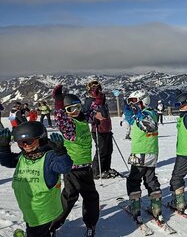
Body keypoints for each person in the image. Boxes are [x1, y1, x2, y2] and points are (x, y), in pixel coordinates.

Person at [0, 122, 73, 237]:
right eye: (21, 143)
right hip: (29, 209)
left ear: (41, 138)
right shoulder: (24, 156)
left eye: (29, 141)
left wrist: (60, 151)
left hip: (42, 211)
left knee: (36, 233)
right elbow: (7, 161)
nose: (26, 146)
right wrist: (4, 147)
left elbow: (64, 167)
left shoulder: (48, 157)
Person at [51, 85, 100, 236]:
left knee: (88, 196)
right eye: (70, 110)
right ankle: (53, 225)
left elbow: (92, 111)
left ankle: (90, 224)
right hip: (72, 168)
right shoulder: (70, 126)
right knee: (70, 197)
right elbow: (61, 121)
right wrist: (59, 103)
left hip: (86, 167)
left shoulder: (82, 119)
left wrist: (95, 98)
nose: (75, 111)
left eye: (77, 107)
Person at [123, 89, 163, 222]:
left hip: (141, 153)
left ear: (143, 101)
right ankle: (156, 207)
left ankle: (135, 208)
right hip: (151, 153)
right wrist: (128, 110)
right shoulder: (145, 114)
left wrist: (138, 114)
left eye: (136, 102)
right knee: (150, 179)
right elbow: (133, 120)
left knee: (133, 180)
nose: (133, 105)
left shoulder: (147, 115)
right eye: (132, 103)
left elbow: (148, 125)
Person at [83, 80, 116, 180]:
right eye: (93, 89)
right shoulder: (89, 101)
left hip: (106, 128)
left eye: (98, 88)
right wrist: (93, 118)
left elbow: (105, 113)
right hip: (97, 129)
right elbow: (85, 114)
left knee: (108, 150)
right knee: (101, 150)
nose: (96, 91)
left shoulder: (102, 99)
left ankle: (106, 168)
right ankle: (96, 171)